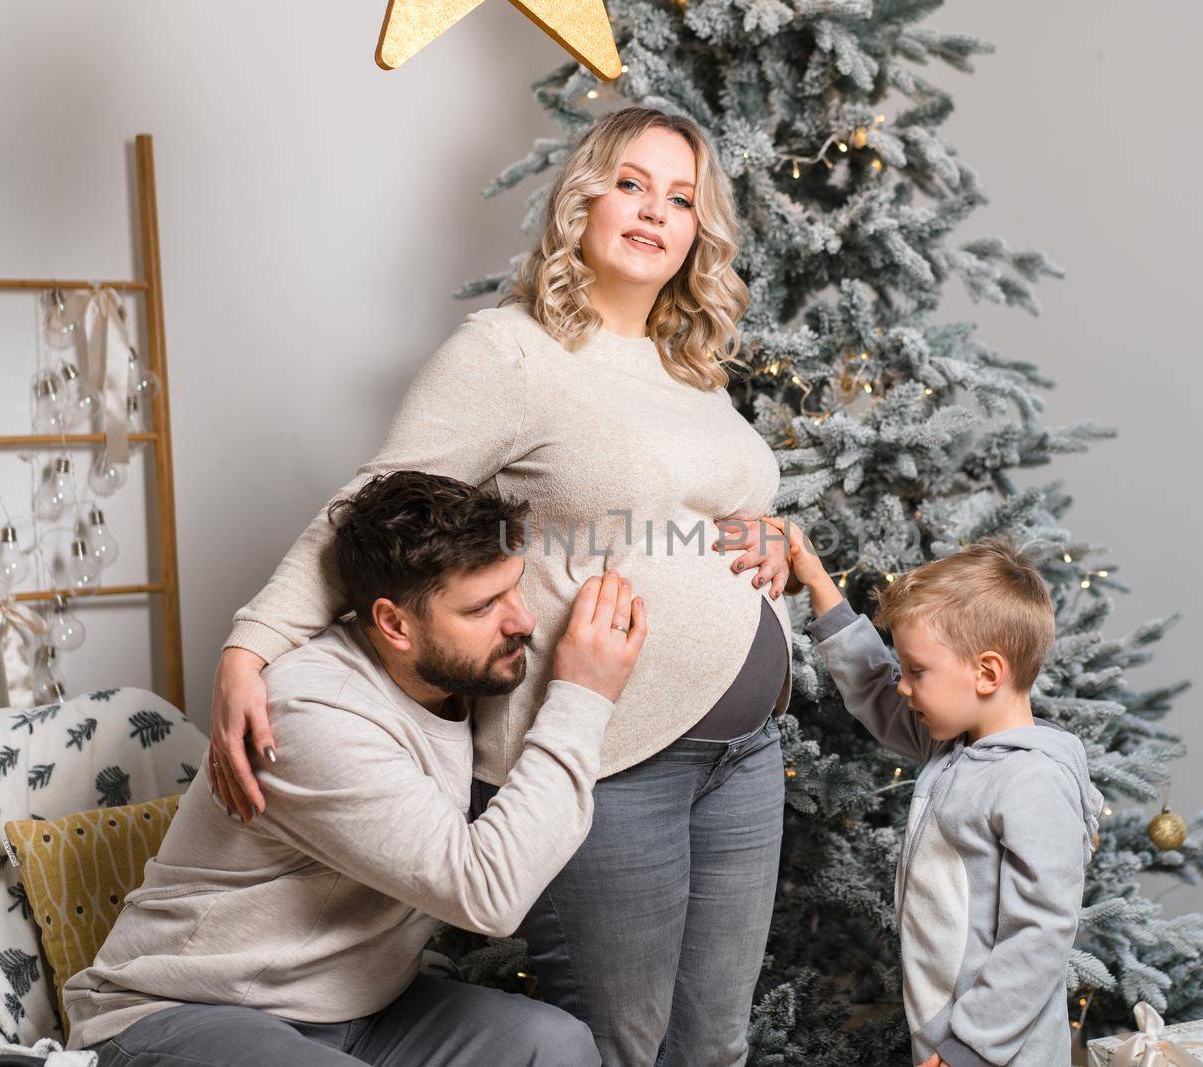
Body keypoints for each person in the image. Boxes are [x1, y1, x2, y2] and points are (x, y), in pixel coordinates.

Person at [204, 106, 801, 1065]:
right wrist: (250, 642)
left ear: (700, 232)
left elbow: (691, 506)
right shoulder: (508, 354)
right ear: (583, 198)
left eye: (682, 198)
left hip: (745, 752)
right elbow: (372, 506)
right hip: (611, 761)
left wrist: (772, 538)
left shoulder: (690, 367)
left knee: (715, 1047)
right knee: (621, 1047)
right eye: (632, 184)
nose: (656, 211)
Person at [64, 470, 647, 1066]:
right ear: (394, 624)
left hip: (360, 1012)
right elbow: (488, 893)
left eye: (514, 589)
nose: (522, 622)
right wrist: (583, 696)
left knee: (552, 1046)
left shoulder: (453, 671)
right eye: (482, 607)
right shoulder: (310, 715)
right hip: (186, 1010)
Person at [770, 517, 1105, 1067]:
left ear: (988, 672)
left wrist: (971, 1046)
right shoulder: (956, 748)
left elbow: (1040, 932)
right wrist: (818, 581)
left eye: (917, 671)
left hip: (999, 1050)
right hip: (945, 1030)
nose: (903, 685)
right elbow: (874, 688)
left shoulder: (1032, 781)